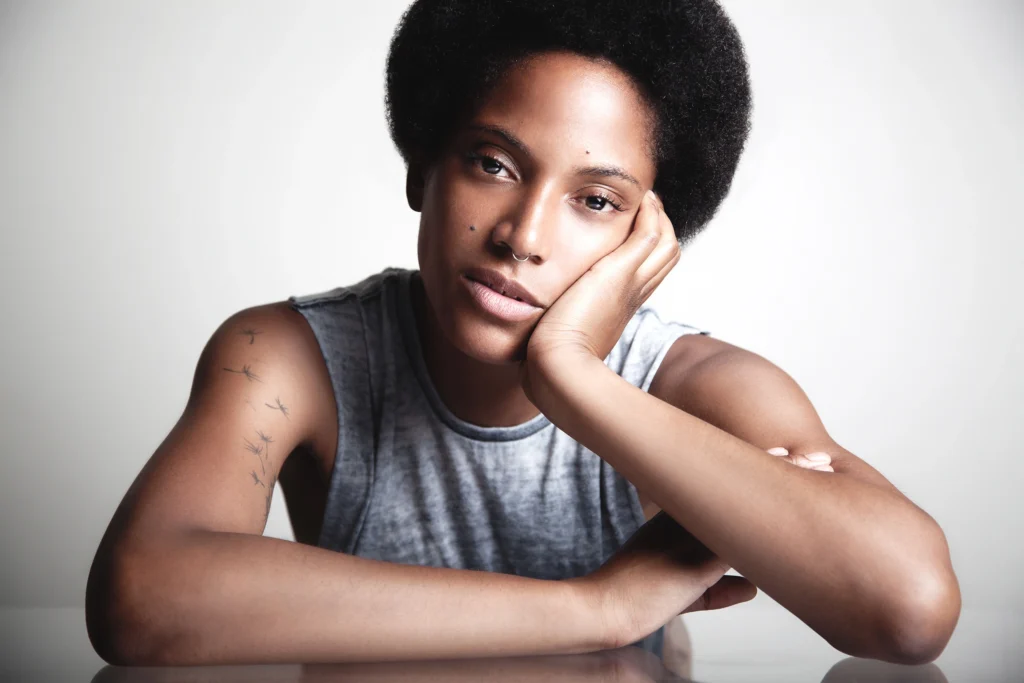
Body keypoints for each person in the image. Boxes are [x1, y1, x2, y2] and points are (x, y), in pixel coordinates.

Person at [85, 0, 960, 668]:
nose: (524, 235)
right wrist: (598, 608)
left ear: (645, 239)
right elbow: (141, 597)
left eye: (596, 200)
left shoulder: (691, 382)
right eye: (493, 163)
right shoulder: (291, 355)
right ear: (424, 164)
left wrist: (575, 378)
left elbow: (910, 609)